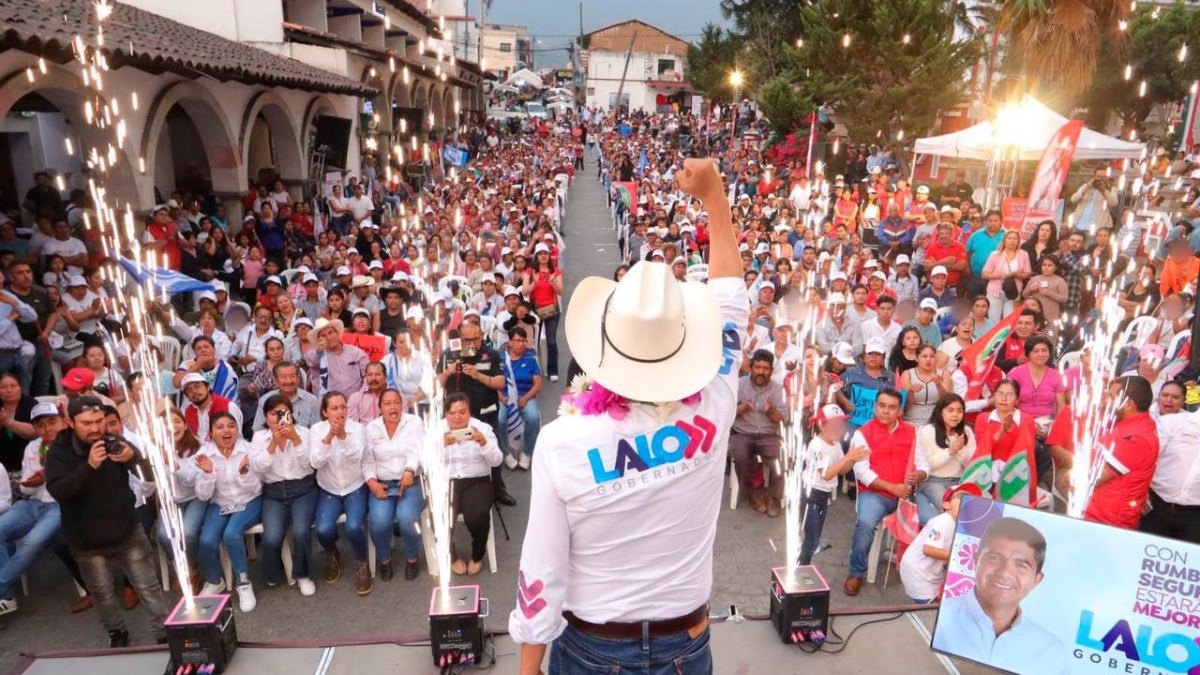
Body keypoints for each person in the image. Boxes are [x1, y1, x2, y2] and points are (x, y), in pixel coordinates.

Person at [510, 157, 746, 673]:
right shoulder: (718, 399)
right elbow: (732, 302)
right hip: (685, 645)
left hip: (592, 648)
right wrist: (715, 199)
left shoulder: (561, 441)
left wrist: (528, 669)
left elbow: (541, 569)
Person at [44, 396, 169, 646]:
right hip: (87, 541)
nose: (94, 428)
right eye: (86, 423)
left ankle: (164, 635)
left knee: (149, 587)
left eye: (99, 421)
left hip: (127, 530)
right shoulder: (58, 452)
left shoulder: (114, 441)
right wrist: (89, 467)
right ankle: (117, 633)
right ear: (70, 422)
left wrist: (134, 458)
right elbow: (58, 491)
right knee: (103, 595)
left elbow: (151, 477)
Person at [931, 517, 1068, 675]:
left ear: (1036, 580)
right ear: (975, 561)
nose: (1004, 572)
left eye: (1021, 564)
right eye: (994, 558)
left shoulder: (1052, 652)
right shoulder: (937, 620)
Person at [844, 388, 924, 596]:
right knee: (866, 522)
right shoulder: (863, 433)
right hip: (876, 493)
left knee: (930, 521)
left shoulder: (912, 432)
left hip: (907, 493)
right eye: (882, 406)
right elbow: (861, 472)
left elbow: (923, 463)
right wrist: (891, 487)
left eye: (891, 407)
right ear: (874, 407)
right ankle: (856, 572)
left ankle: (919, 572)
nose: (886, 411)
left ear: (899, 411)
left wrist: (920, 475)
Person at [0, 403, 65, 617]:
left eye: (52, 422)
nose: (47, 428)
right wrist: (33, 483)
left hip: (59, 505)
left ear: (63, 421)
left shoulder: (72, 444)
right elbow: (24, 489)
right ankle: (7, 596)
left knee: (32, 541)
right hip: (33, 503)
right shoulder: (32, 447)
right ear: (35, 429)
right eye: (40, 425)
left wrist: (48, 476)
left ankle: (1, 588)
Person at [194, 412, 263, 611]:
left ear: (237, 429)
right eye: (220, 427)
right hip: (220, 503)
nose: (226, 431)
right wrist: (208, 473)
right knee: (207, 540)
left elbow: (258, 488)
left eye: (231, 426)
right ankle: (215, 580)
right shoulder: (204, 454)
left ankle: (243, 582)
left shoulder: (248, 450)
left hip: (249, 500)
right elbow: (203, 495)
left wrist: (244, 474)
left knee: (231, 534)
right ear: (211, 432)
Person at [251, 394, 317, 596]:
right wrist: (273, 444)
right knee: (271, 537)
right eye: (273, 414)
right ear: (265, 416)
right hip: (273, 492)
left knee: (300, 532)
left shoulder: (304, 433)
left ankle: (302, 574)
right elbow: (258, 468)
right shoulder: (260, 437)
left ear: (291, 413)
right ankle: (271, 573)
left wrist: (295, 440)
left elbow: (310, 464)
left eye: (283, 413)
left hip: (303, 489)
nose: (278, 418)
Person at [310, 391, 372, 595]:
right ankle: (332, 552)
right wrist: (329, 437)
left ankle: (363, 563)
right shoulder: (317, 430)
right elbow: (315, 462)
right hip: (329, 489)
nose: (340, 412)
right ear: (324, 411)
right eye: (334, 408)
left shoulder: (358, 429)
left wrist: (343, 436)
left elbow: (356, 458)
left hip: (355, 486)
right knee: (322, 530)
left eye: (343, 407)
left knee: (354, 526)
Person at [364, 388, 425, 581]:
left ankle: (412, 558)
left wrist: (409, 470)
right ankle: (384, 559)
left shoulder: (414, 423)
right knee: (379, 523)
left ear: (403, 404)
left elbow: (417, 451)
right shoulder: (371, 428)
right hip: (382, 483)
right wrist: (372, 481)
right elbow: (367, 460)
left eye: (397, 402)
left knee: (407, 520)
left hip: (410, 482)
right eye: (387, 403)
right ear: (380, 407)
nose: (393, 407)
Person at [440, 393, 504, 575]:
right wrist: (439, 446)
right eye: (452, 413)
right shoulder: (437, 429)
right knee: (441, 514)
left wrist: (484, 443)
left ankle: (477, 554)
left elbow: (497, 460)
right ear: (446, 415)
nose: (457, 417)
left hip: (477, 479)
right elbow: (423, 461)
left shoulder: (482, 428)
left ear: (470, 413)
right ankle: (451, 555)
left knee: (477, 515)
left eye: (462, 412)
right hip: (447, 479)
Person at [1085, 376, 1159, 529]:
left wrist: (1070, 475)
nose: (1105, 400)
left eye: (1111, 397)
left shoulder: (1135, 438)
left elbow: (1091, 479)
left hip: (1106, 523)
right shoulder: (1129, 425)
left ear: (1128, 405)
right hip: (1097, 514)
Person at [799, 405, 866, 565]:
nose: (839, 429)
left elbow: (842, 470)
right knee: (812, 535)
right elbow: (827, 474)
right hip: (810, 494)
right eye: (834, 425)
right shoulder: (817, 446)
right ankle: (802, 565)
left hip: (823, 494)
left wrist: (854, 459)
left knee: (817, 530)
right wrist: (848, 457)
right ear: (822, 425)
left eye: (841, 424)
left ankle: (810, 547)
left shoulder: (835, 444)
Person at [899, 483, 981, 604]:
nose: (967, 502)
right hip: (918, 572)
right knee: (930, 607)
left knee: (940, 603)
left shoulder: (959, 526)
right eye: (962, 497)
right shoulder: (943, 521)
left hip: (929, 572)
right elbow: (928, 550)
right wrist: (959, 556)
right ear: (946, 505)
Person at [731, 349, 787, 517]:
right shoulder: (739, 384)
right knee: (740, 456)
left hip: (769, 435)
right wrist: (741, 408)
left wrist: (770, 411)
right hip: (743, 433)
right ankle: (753, 493)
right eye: (757, 367)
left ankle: (772, 497)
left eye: (765, 368)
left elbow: (782, 418)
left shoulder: (778, 389)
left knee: (783, 458)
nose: (761, 371)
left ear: (771, 370)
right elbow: (726, 413)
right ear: (751, 367)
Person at [156, 407, 206, 593]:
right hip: (170, 501)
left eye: (177, 421)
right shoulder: (154, 449)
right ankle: (184, 568)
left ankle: (192, 568)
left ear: (185, 425)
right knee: (163, 534)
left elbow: (193, 480)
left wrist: (173, 463)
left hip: (195, 497)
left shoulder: (198, 447)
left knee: (188, 532)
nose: (172, 426)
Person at [915, 394, 975, 525]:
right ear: (940, 411)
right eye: (950, 410)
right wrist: (951, 450)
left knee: (977, 506)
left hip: (959, 481)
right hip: (933, 481)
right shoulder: (927, 431)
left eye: (959, 411)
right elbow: (929, 464)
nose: (955, 415)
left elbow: (971, 463)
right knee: (953, 508)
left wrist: (960, 449)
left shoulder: (967, 431)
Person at [499, 326, 543, 470]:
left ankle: (527, 452)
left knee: (533, 418)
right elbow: (493, 381)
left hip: (526, 395)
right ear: (510, 342)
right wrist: (500, 397)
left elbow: (537, 383)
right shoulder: (500, 359)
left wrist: (525, 398)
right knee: (499, 420)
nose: (521, 344)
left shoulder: (530, 358)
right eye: (517, 340)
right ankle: (506, 453)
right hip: (504, 397)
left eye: (523, 340)